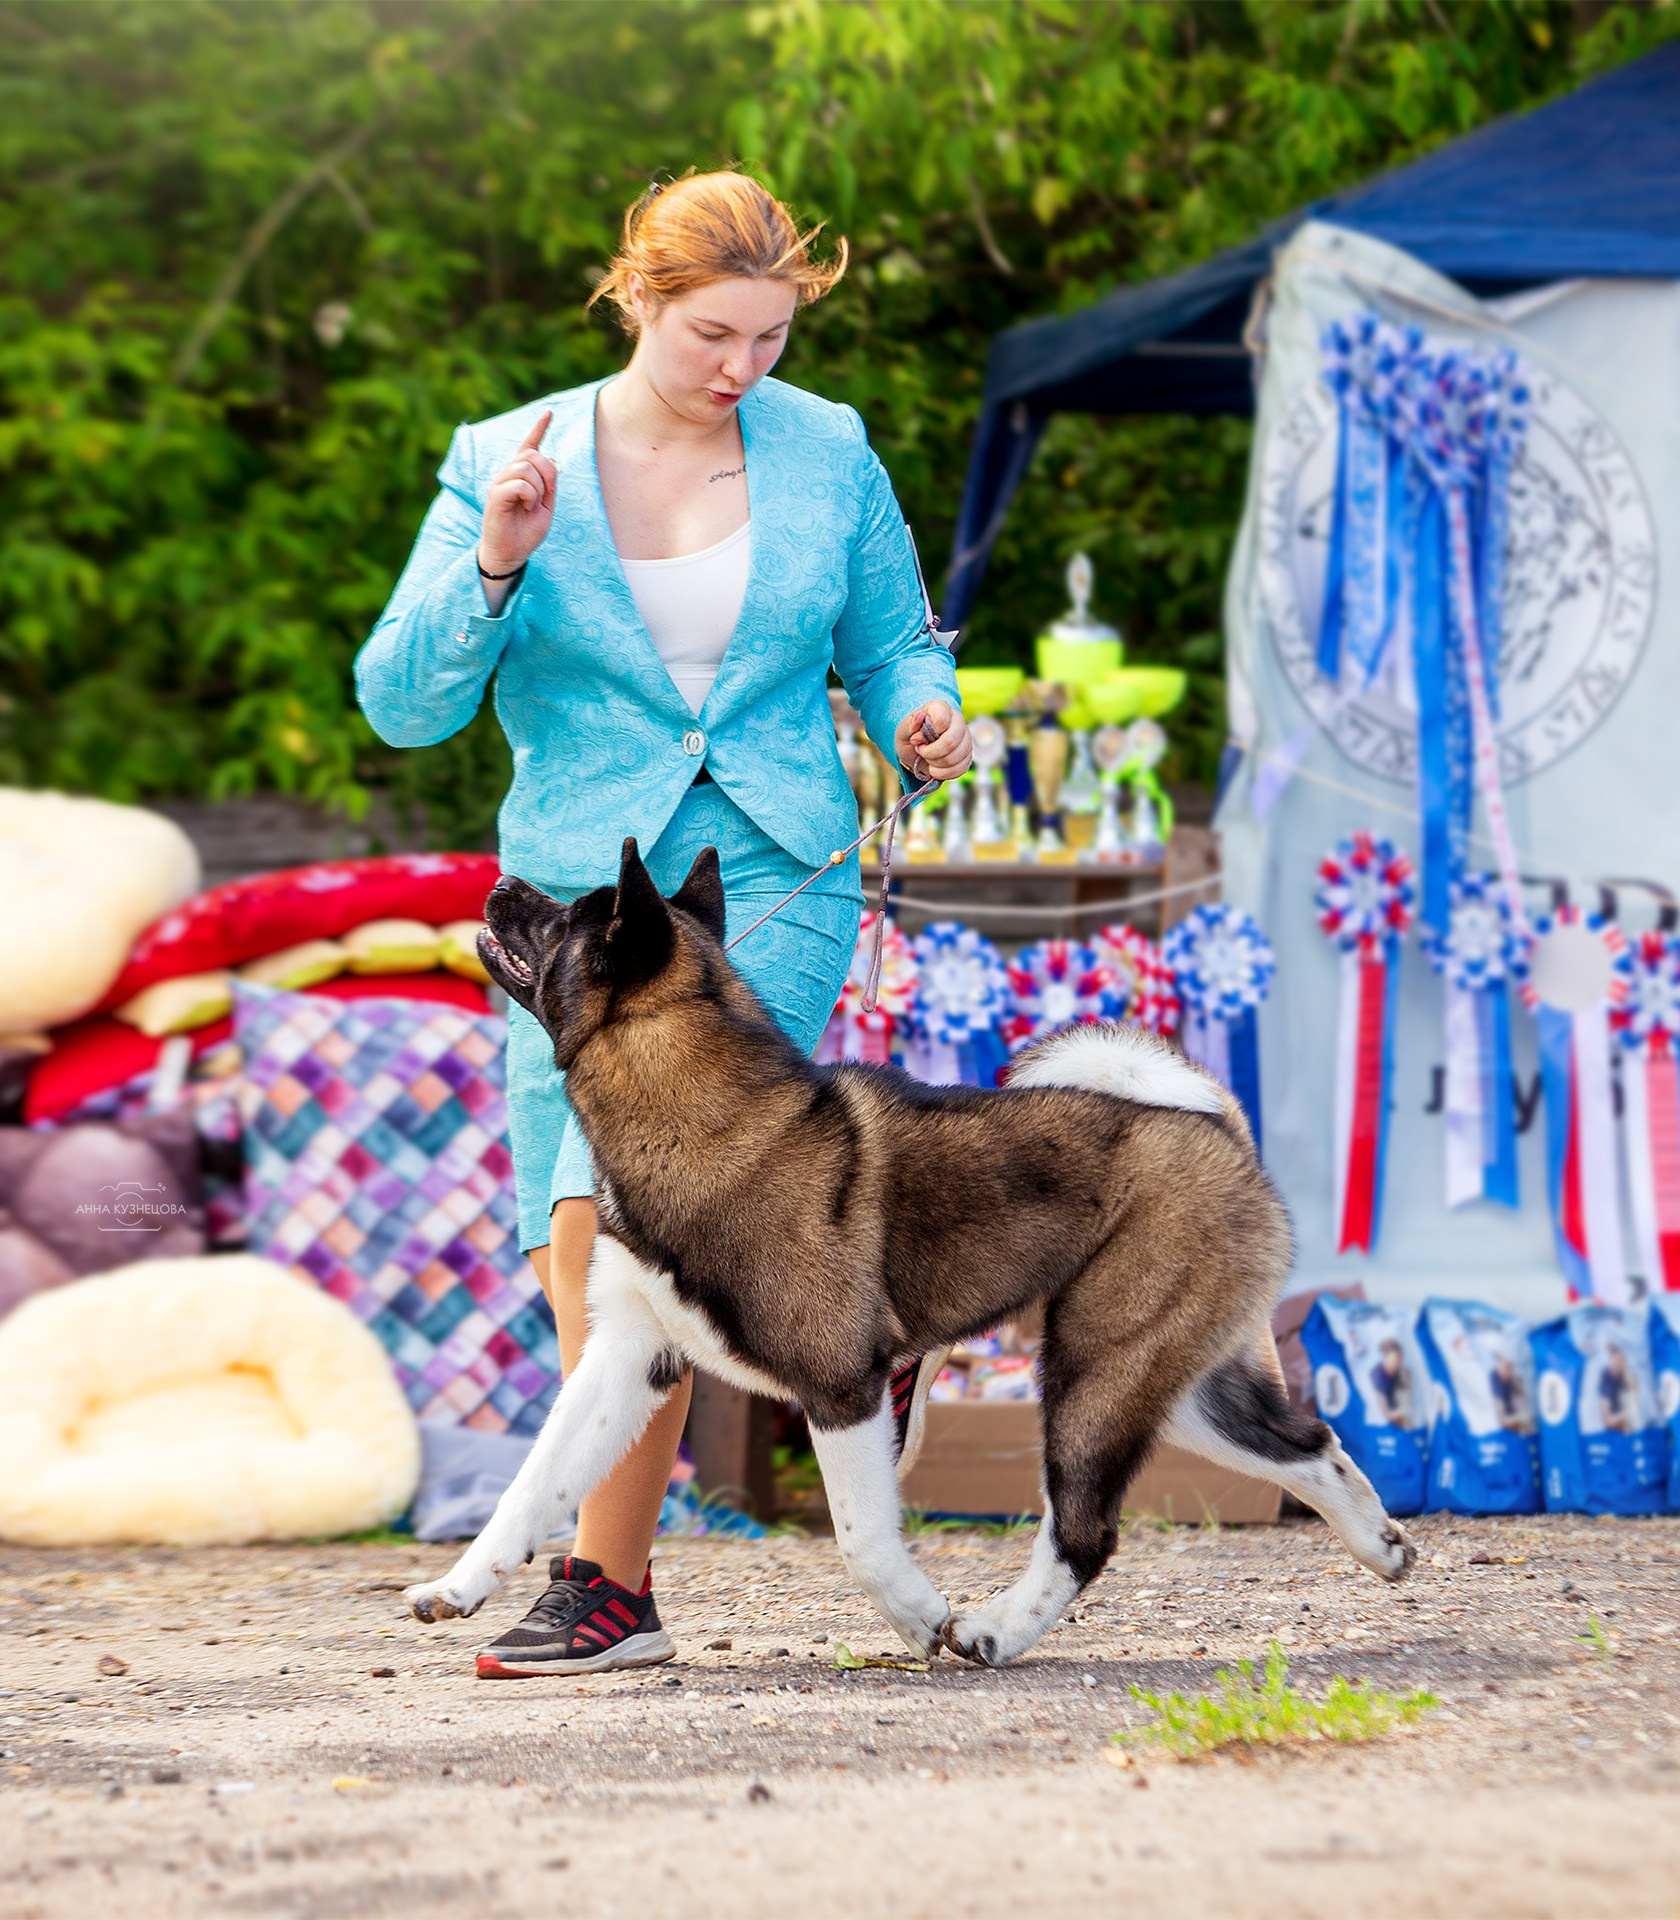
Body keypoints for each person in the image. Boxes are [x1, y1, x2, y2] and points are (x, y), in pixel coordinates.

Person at [357, 171, 970, 1678]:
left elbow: (894, 642)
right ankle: (852, 1324)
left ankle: (605, 1590)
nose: (741, 368)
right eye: (712, 334)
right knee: (574, 1244)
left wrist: (924, 712)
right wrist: (498, 560)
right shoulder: (507, 458)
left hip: (775, 872)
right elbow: (403, 703)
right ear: (637, 297)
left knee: (629, 1218)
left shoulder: (827, 447)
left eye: (770, 338)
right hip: (583, 900)